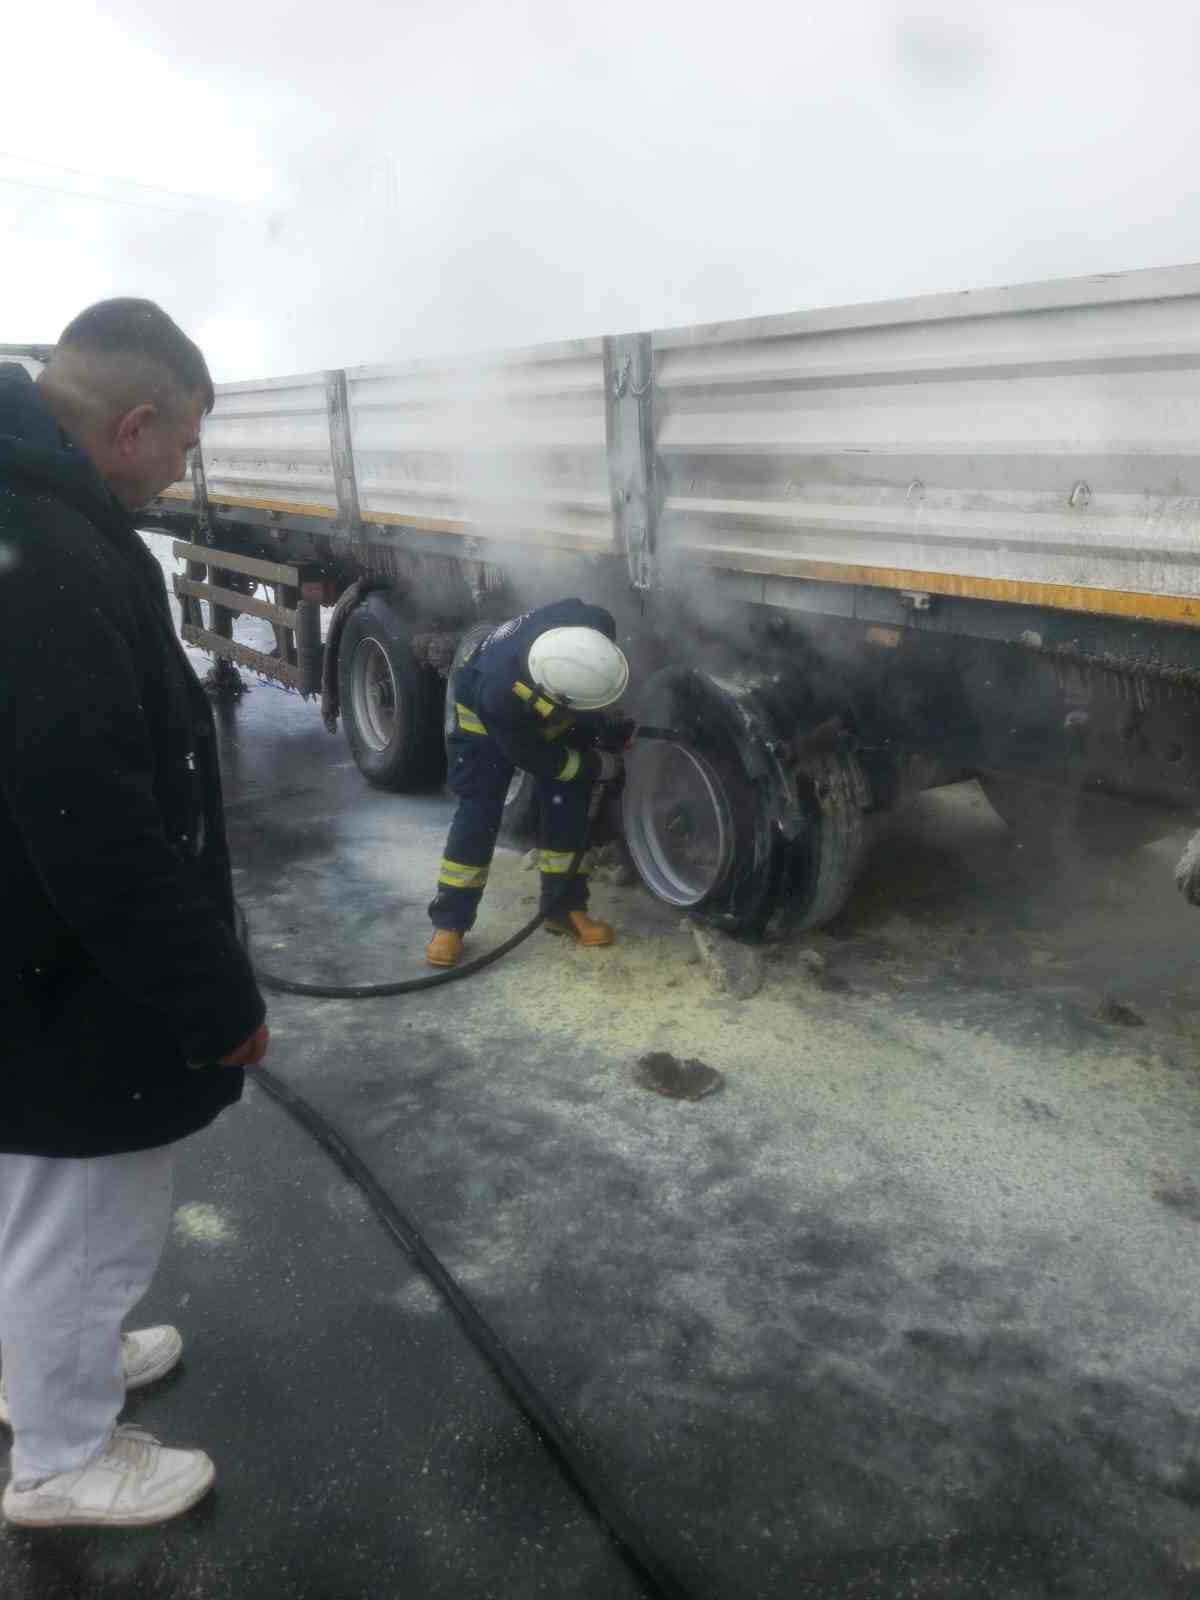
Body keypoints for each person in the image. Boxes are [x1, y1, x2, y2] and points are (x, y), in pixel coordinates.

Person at [0, 300, 268, 1528]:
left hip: (37, 948)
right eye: (182, 446)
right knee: (86, 1201)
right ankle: (62, 1458)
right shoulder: (47, 552)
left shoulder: (38, 516)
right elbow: (90, 819)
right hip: (61, 968)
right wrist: (212, 997)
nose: (183, 471)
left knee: (43, 1200)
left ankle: (56, 1364)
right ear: (135, 423)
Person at [427, 599, 633, 968]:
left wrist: (601, 726)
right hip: (483, 723)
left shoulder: (593, 622)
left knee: (568, 802)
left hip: (541, 704)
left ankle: (564, 910)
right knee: (480, 812)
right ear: (553, 697)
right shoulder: (499, 696)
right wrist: (599, 765)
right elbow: (542, 760)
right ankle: (450, 924)